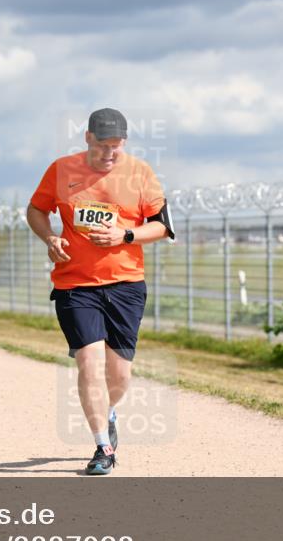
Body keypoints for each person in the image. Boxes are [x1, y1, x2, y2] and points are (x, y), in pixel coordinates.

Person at [26, 108, 174, 475]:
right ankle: (102, 448)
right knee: (88, 361)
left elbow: (162, 227)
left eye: (117, 147)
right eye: (104, 145)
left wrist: (125, 234)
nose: (111, 154)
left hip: (126, 284)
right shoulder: (61, 170)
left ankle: (109, 411)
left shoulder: (140, 172)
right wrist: (50, 237)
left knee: (119, 374)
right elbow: (36, 209)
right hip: (75, 284)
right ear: (88, 138)